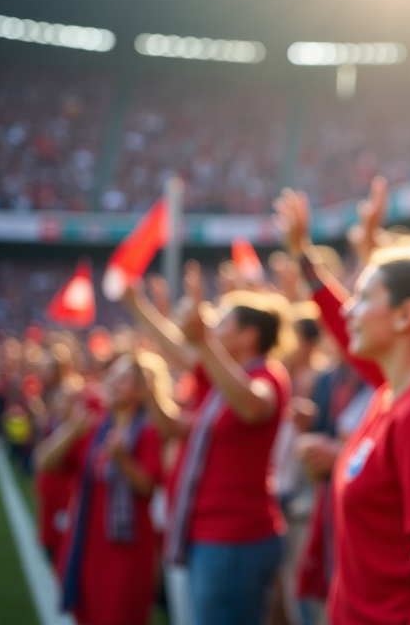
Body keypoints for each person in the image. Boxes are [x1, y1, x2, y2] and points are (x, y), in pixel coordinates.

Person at [274, 188, 410, 625]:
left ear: (406, 315)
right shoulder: (393, 394)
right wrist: (304, 259)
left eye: (364, 297)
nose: (350, 310)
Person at [125, 264, 292, 625]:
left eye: (221, 325)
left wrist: (202, 341)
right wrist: (137, 305)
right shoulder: (220, 380)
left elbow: (252, 405)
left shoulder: (267, 376)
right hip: (212, 536)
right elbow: (178, 423)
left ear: (248, 337)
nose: (212, 332)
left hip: (234, 538)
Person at [35, 353, 168, 625]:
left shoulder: (148, 431)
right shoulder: (94, 426)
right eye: (113, 377)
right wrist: (72, 429)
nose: (114, 383)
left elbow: (147, 488)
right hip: (88, 545)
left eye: (124, 379)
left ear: (142, 390)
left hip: (126, 550)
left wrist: (122, 459)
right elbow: (44, 462)